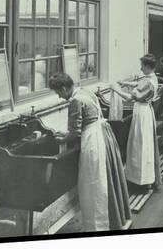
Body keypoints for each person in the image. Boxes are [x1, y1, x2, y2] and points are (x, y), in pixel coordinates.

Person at [49, 73, 131, 231]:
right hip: (102, 133)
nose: (59, 97)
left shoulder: (75, 100)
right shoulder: (85, 91)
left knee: (92, 182)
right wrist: (67, 133)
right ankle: (112, 218)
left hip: (92, 139)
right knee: (105, 178)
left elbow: (75, 132)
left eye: (58, 92)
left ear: (64, 88)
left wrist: (62, 139)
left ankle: (98, 225)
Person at [112, 54, 161, 191]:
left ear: (147, 66)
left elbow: (130, 98)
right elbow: (140, 84)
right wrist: (126, 83)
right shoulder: (152, 77)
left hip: (142, 112)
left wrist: (115, 90)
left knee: (140, 144)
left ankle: (140, 181)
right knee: (144, 144)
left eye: (142, 66)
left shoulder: (147, 81)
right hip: (146, 111)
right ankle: (144, 178)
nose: (140, 68)